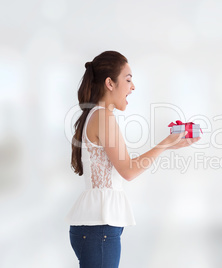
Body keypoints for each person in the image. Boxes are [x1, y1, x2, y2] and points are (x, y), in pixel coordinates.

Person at [66, 51, 200, 267]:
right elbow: (128, 170)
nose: (133, 87)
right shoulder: (102, 116)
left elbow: (123, 166)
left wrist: (167, 145)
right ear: (110, 83)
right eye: (128, 80)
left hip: (97, 227)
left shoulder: (97, 115)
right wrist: (165, 143)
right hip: (99, 227)